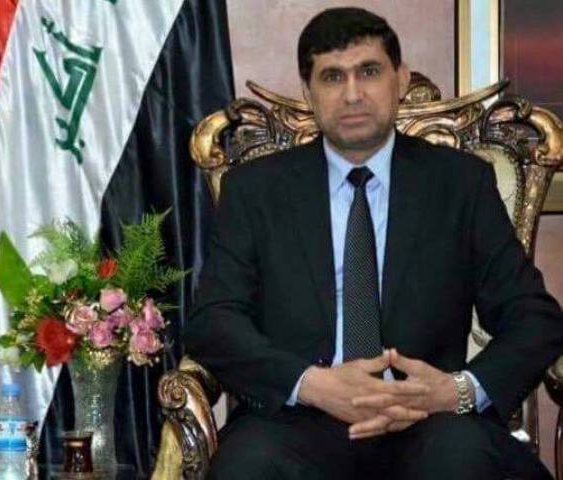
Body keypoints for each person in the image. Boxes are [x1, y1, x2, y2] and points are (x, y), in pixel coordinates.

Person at [184, 7, 563, 479]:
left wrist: (456, 391)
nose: (352, 94)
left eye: (369, 71)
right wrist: (311, 384)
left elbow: (534, 317)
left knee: (461, 459)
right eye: (332, 77)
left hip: (428, 417)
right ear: (309, 93)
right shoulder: (257, 189)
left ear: (399, 80)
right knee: (248, 466)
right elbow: (214, 321)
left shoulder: (458, 183)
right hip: (297, 418)